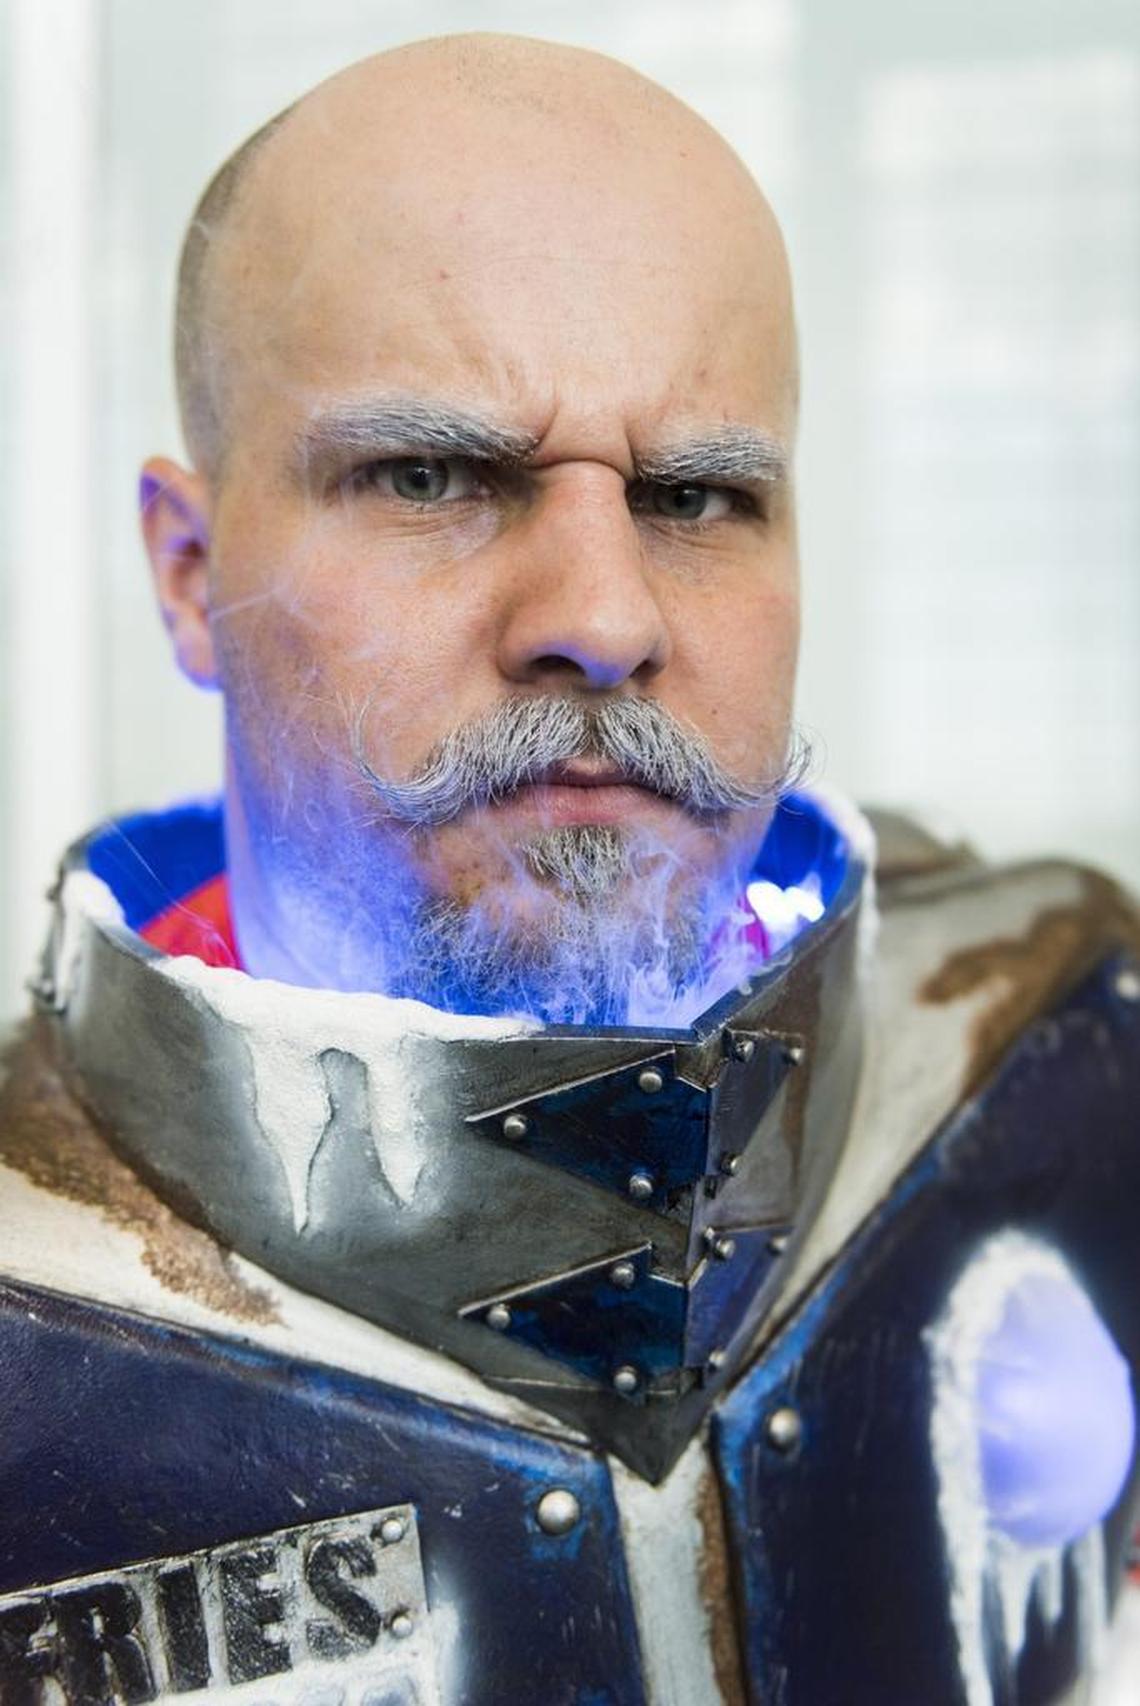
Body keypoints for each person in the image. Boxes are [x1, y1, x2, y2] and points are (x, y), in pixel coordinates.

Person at [0, 33, 1137, 1705]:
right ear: (186, 568)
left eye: (696, 492)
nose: (603, 620)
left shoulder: (1063, 1047)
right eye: (434, 475)